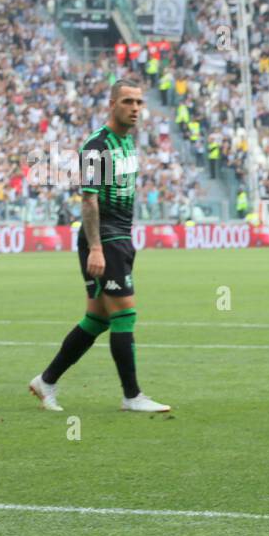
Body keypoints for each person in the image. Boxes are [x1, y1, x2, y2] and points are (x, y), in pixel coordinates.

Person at [29, 77, 171, 413]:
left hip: (121, 237)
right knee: (125, 314)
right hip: (104, 238)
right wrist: (95, 247)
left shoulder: (127, 143)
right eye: (127, 102)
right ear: (112, 104)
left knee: (97, 319)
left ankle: (46, 381)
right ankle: (132, 396)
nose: (135, 108)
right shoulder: (97, 146)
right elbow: (89, 200)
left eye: (139, 102)